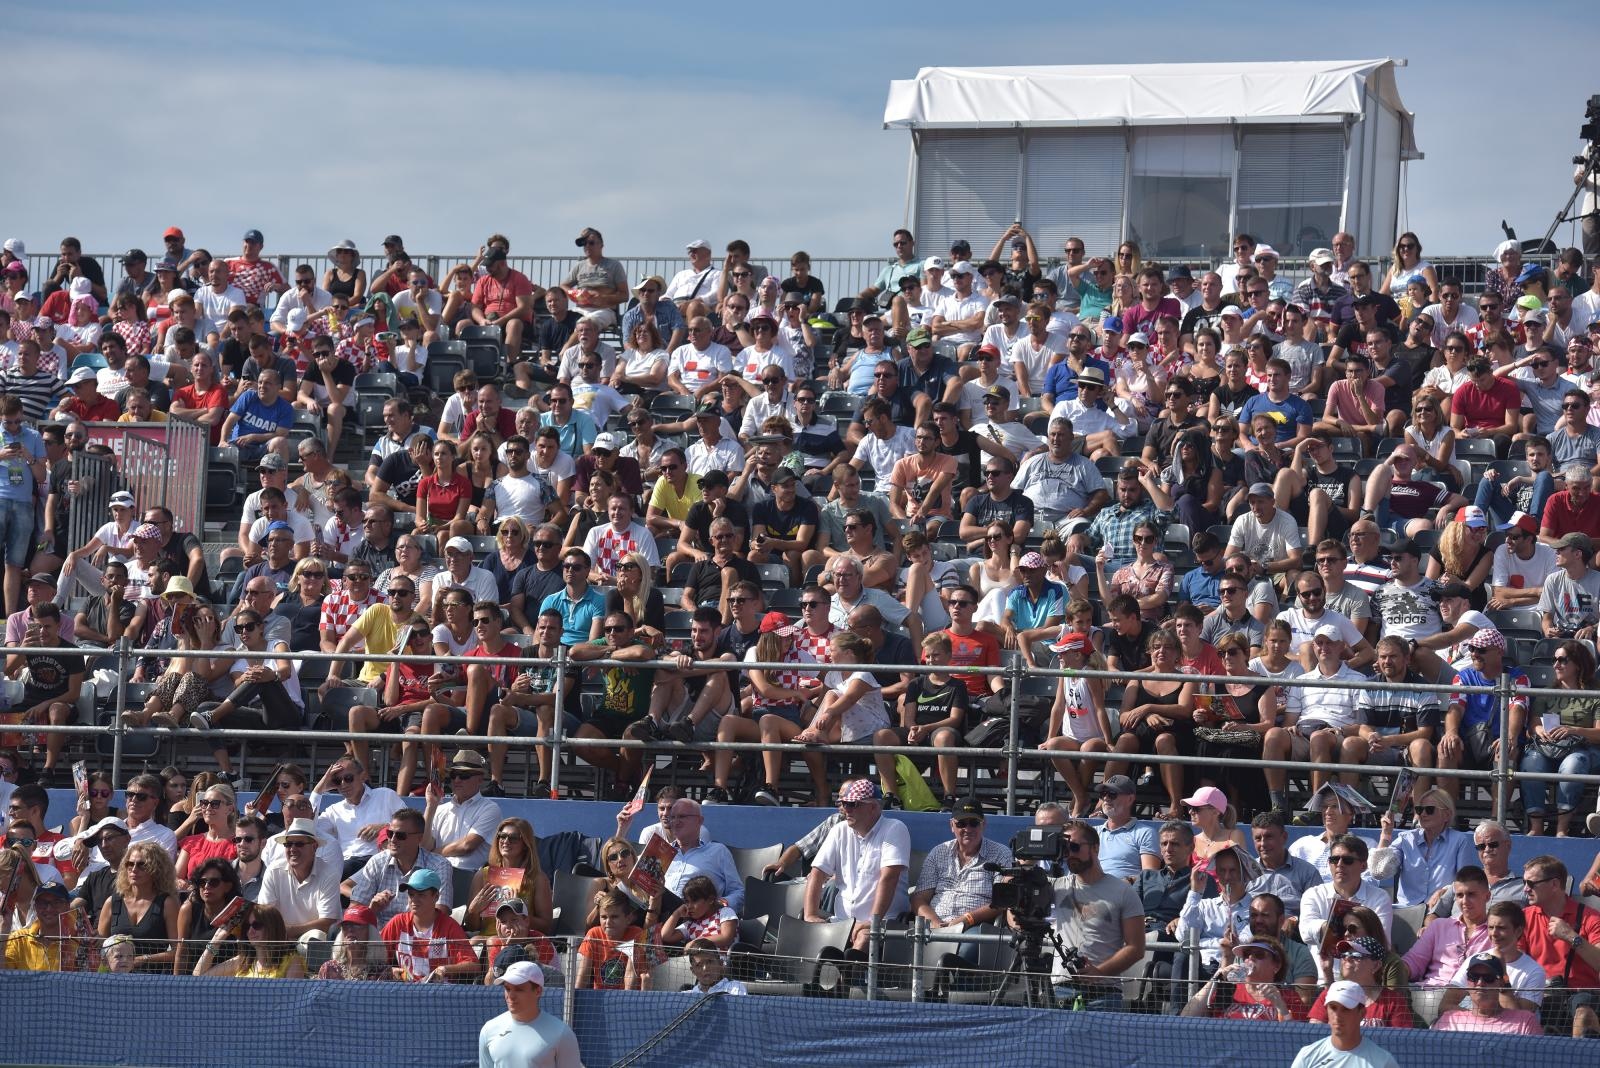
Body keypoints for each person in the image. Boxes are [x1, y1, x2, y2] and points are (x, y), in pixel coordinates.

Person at [1042, 818, 1146, 1009]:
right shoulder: (1057, 886)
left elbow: (1136, 948)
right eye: (1065, 849)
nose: (1069, 855)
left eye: (1074, 847)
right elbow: (1013, 893)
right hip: (1061, 987)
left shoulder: (1123, 891)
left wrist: (1099, 972)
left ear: (1095, 848)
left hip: (1105, 991)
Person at [803, 779, 910, 957]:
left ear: (873, 808)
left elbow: (889, 878)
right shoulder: (839, 830)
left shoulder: (895, 829)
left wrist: (872, 922)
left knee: (864, 937)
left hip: (884, 921)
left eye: (853, 804)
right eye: (844, 803)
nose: (846, 809)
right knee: (811, 933)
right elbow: (816, 873)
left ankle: (842, 981)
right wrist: (810, 915)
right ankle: (821, 983)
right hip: (841, 921)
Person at [1300, 835, 1394, 982]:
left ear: (1363, 866)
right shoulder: (1313, 894)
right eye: (1334, 859)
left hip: (1362, 981)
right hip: (1320, 978)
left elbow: (1381, 940)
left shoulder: (1379, 897)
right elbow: (1305, 932)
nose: (1339, 864)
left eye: (1347, 860)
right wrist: (1327, 927)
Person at [479, 960, 582, 1068]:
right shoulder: (489, 1030)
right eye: (507, 989)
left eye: (519, 990)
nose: (511, 995)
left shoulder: (562, 1034)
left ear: (538, 991)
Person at [382, 866, 476, 984]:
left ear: (436, 896)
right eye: (411, 894)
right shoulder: (397, 922)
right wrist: (390, 971)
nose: (414, 900)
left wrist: (445, 969)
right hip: (405, 993)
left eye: (421, 895)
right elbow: (372, 959)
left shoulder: (449, 926)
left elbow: (473, 965)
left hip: (440, 995)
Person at [1288, 981, 1400, 1068]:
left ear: (1362, 1013)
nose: (1337, 1015)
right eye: (1333, 1008)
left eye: (1346, 1009)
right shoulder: (1307, 1056)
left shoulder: (1383, 1061)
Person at [1432, 951, 1543, 1035]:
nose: (1480, 983)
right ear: (1467, 981)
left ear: (1500, 983)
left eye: (1488, 978)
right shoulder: (1449, 1020)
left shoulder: (1525, 1022)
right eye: (1473, 977)